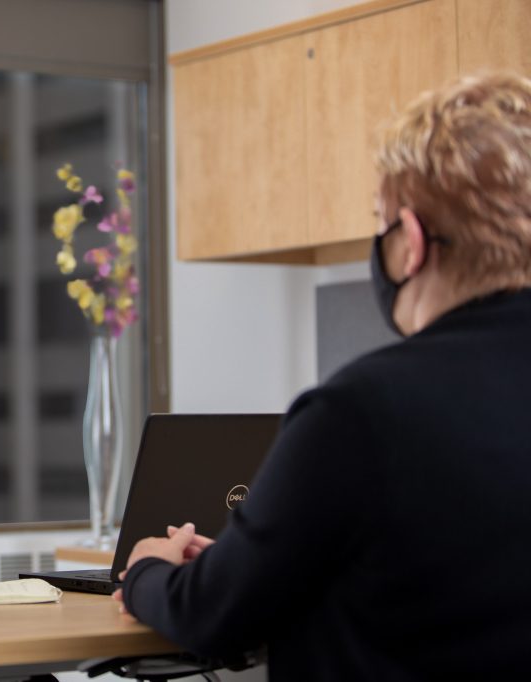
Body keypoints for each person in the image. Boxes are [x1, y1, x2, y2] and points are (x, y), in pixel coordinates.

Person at [115, 71, 531, 679]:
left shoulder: (363, 409)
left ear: (410, 242)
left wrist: (150, 569)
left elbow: (212, 615)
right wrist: (242, 563)